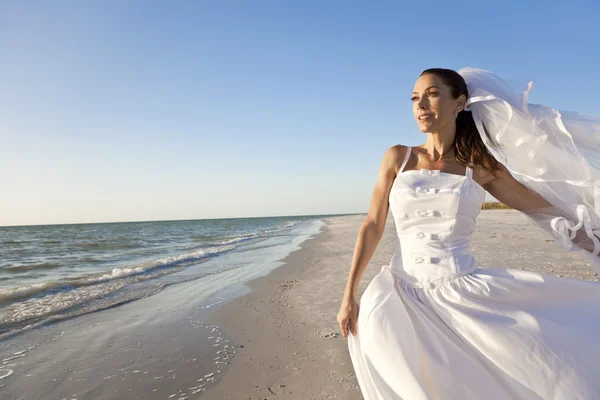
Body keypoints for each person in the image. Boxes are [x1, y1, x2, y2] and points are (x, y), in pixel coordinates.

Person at [337, 67, 600, 400]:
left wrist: (592, 243)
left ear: (459, 102)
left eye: (431, 94)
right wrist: (349, 294)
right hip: (399, 294)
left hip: (461, 292)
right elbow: (373, 224)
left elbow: (537, 206)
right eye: (415, 98)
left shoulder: (480, 166)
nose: (421, 105)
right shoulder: (398, 158)